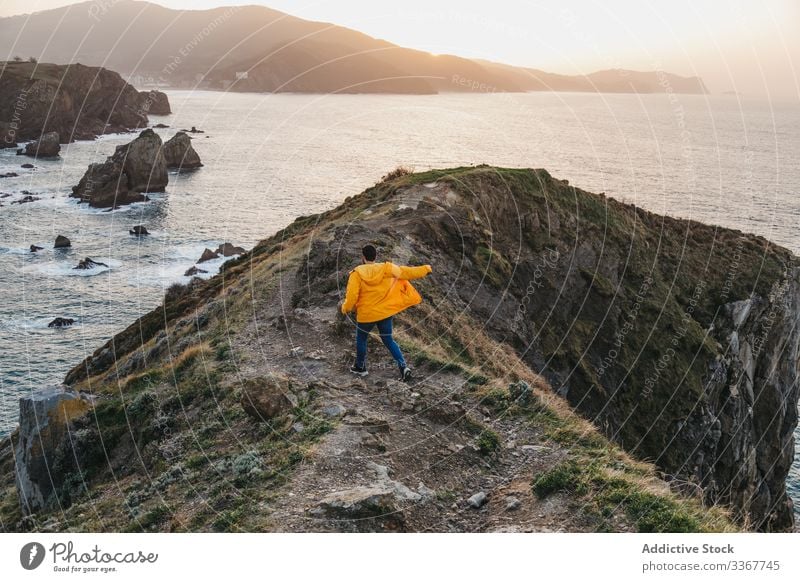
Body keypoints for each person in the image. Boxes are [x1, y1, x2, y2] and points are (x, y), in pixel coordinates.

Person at [340, 244, 432, 381]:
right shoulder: (386, 268)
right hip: (384, 313)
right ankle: (403, 367)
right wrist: (425, 269)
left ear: (363, 257)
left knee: (361, 340)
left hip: (366, 315)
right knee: (388, 340)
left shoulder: (357, 273)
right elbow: (406, 272)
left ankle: (360, 367)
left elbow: (352, 296)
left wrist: (345, 308)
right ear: (375, 256)